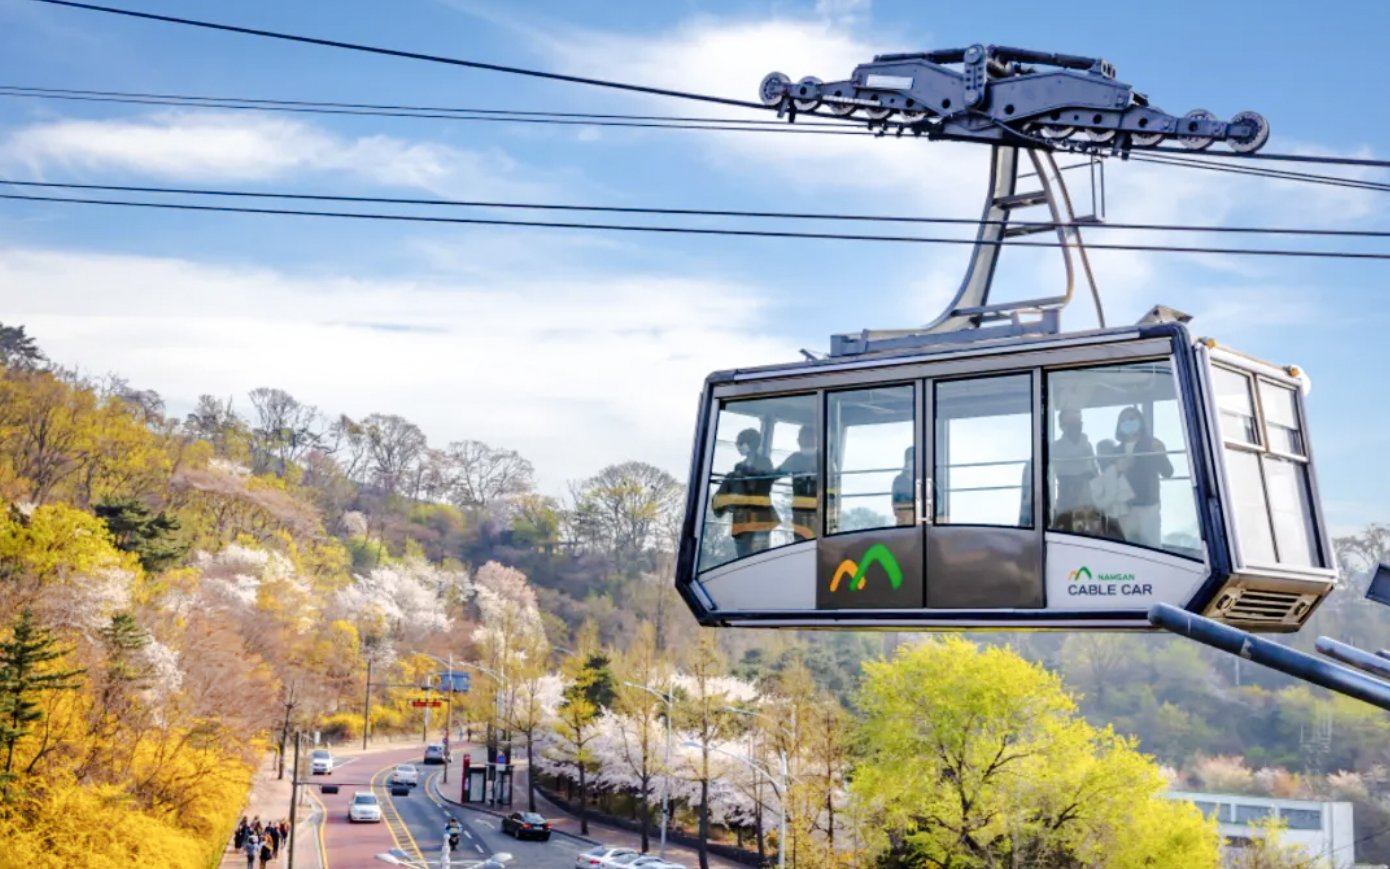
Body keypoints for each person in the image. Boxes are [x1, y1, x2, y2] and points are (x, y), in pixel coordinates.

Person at [1097, 407, 1173, 547]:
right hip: (1123, 507)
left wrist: (1161, 454)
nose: (1128, 423)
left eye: (1132, 419)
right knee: (1128, 548)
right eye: (1123, 420)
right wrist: (1117, 468)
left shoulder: (1151, 445)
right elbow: (1106, 479)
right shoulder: (1115, 451)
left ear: (1141, 422)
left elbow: (1168, 472)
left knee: (1152, 547)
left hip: (1148, 505)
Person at [711, 428, 778, 558]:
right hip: (742, 518)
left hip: (760, 517)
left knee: (758, 558)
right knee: (742, 556)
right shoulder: (738, 466)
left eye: (741, 443)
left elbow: (764, 485)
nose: (738, 446)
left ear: (751, 444)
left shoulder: (765, 462)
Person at [776, 425, 819, 542]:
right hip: (800, 509)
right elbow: (776, 474)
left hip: (818, 510)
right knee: (800, 541)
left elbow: (833, 481)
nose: (807, 441)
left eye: (810, 438)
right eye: (804, 439)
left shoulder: (824, 459)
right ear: (798, 441)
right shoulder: (794, 459)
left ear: (817, 439)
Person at [891, 447, 915, 526]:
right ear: (907, 462)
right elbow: (896, 505)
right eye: (912, 460)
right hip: (904, 524)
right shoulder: (899, 480)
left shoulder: (927, 481)